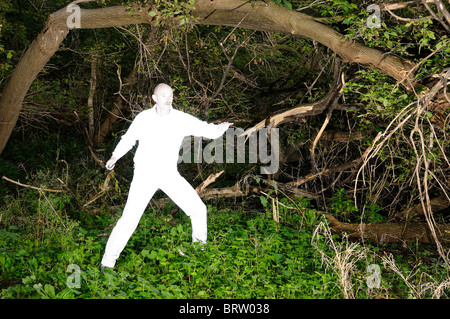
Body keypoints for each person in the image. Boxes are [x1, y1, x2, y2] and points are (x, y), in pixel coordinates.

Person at [101, 83, 232, 269]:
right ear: (154, 98)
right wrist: (115, 156)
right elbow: (129, 139)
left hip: (168, 174)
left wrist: (220, 129)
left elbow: (203, 128)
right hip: (144, 174)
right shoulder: (143, 118)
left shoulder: (180, 119)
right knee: (129, 220)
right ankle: (107, 263)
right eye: (164, 95)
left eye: (170, 95)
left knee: (198, 209)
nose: (168, 98)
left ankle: (199, 256)